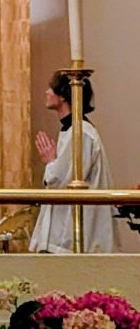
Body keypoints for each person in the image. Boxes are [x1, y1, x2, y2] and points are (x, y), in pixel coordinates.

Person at [29, 72, 115, 254]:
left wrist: (50, 162)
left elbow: (63, 180)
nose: (46, 92)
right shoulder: (72, 130)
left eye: (51, 88)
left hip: (75, 236)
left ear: (63, 95)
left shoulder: (81, 133)